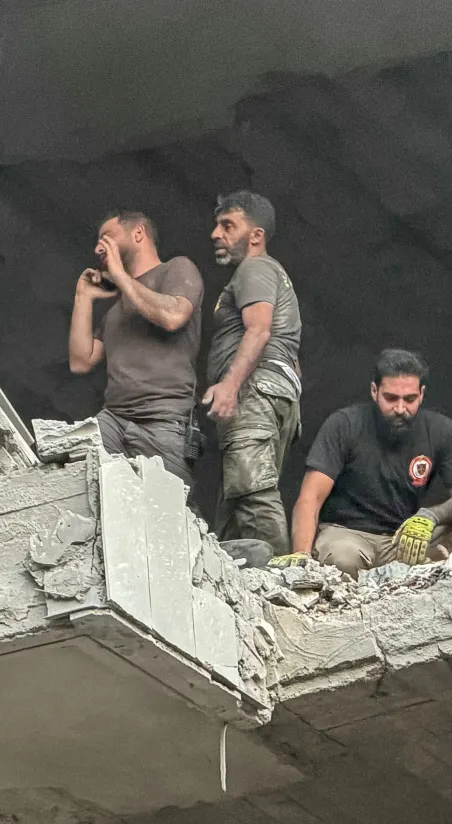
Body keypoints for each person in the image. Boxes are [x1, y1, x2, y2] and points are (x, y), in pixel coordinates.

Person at [279, 349, 452, 574]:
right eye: (391, 398)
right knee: (342, 557)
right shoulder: (344, 425)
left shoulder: (442, 430)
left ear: (422, 394)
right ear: (374, 391)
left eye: (410, 399)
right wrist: (301, 556)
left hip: (408, 539)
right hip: (349, 535)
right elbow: (311, 498)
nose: (400, 409)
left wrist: (431, 516)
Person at [201, 190, 303, 562]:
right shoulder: (274, 275)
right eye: (217, 225)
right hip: (273, 390)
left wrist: (230, 386)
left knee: (251, 490)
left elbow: (258, 330)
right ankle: (233, 578)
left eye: (228, 225)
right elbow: (291, 355)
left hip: (254, 390)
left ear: (256, 235)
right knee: (236, 501)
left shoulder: (255, 268)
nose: (216, 234)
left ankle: (278, 578)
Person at [67, 209, 204, 480]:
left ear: (138, 233)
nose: (98, 248)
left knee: (161, 504)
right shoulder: (116, 311)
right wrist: (83, 297)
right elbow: (81, 361)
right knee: (77, 479)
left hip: (163, 422)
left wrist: (119, 274)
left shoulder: (177, 268)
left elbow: (173, 316)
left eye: (106, 237)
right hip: (113, 420)